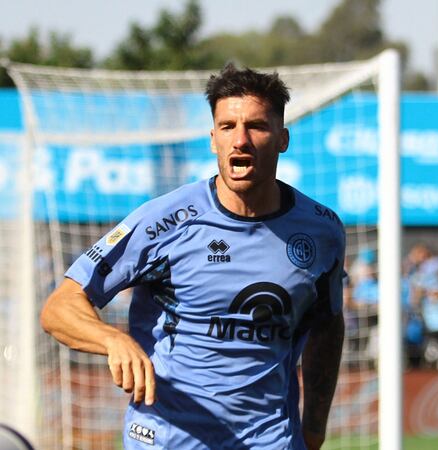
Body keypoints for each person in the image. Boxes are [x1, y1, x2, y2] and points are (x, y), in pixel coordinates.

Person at [39, 64, 346, 449]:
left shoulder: (322, 230)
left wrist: (314, 426)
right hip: (169, 437)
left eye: (257, 126)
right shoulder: (164, 220)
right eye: (228, 127)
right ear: (213, 138)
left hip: (270, 438)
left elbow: (327, 325)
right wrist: (112, 340)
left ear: (282, 139)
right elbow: (59, 307)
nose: (241, 140)